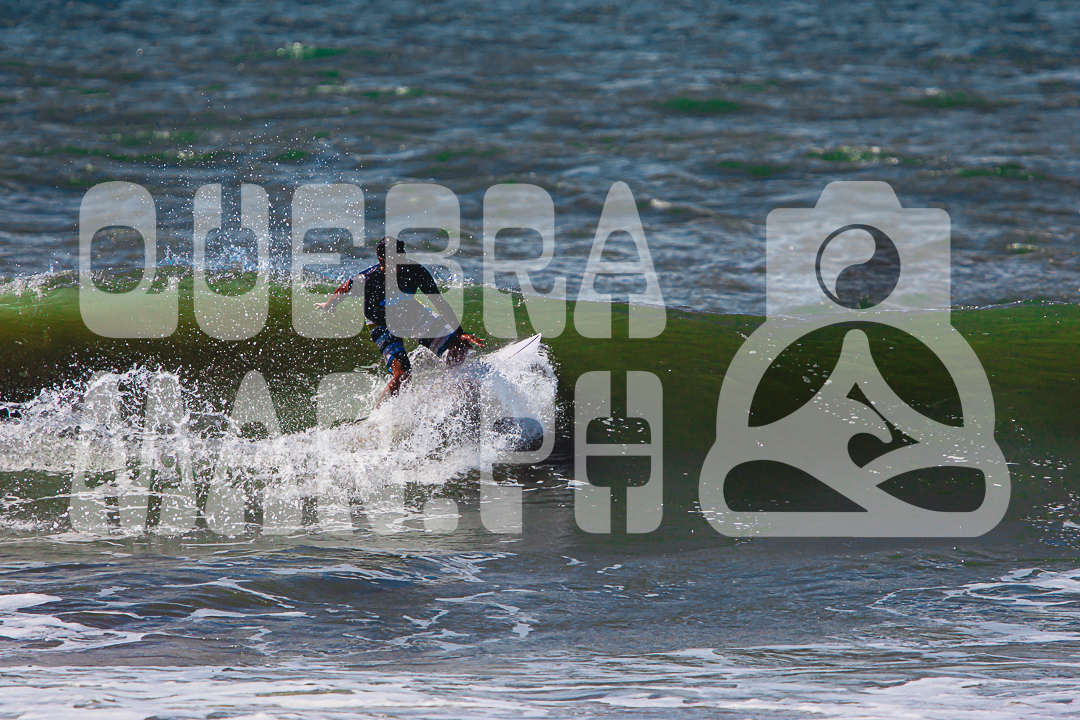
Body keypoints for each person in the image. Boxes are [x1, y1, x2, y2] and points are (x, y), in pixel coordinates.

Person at [316, 236, 484, 407]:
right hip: (382, 324)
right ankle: (379, 415)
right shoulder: (367, 279)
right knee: (403, 374)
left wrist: (460, 333)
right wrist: (329, 305)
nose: (401, 261)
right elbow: (342, 290)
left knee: (458, 346)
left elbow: (439, 302)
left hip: (411, 314)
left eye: (401, 255)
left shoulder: (416, 271)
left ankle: (448, 387)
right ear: (381, 259)